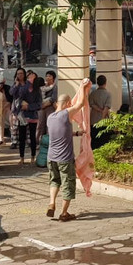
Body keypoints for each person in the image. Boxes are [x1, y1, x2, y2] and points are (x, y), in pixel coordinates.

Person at [46, 78, 92, 222]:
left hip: (51, 158)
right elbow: (79, 104)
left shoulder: (50, 117)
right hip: (64, 159)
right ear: (66, 104)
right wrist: (83, 89)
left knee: (55, 181)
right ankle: (64, 213)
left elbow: (60, 132)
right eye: (69, 105)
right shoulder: (66, 113)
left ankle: (52, 203)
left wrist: (76, 133)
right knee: (68, 185)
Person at [11, 69, 42, 165]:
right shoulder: (20, 86)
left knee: (32, 137)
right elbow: (12, 93)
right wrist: (17, 84)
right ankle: (22, 157)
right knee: (22, 136)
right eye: (29, 77)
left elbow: (39, 104)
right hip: (22, 115)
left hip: (32, 115)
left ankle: (33, 156)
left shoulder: (37, 89)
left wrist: (29, 107)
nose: (30, 79)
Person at [89, 74, 113, 147]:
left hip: (93, 120)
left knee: (94, 142)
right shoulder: (108, 94)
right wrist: (102, 118)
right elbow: (106, 108)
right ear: (105, 83)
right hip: (104, 122)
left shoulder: (92, 94)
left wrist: (98, 109)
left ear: (97, 83)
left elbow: (92, 105)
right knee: (104, 142)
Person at [40, 71, 59, 136]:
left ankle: (48, 140)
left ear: (53, 78)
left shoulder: (54, 87)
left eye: (50, 76)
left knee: (49, 124)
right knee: (40, 124)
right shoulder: (43, 87)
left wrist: (44, 105)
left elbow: (53, 98)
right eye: (47, 76)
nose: (48, 77)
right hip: (41, 107)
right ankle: (39, 140)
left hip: (50, 107)